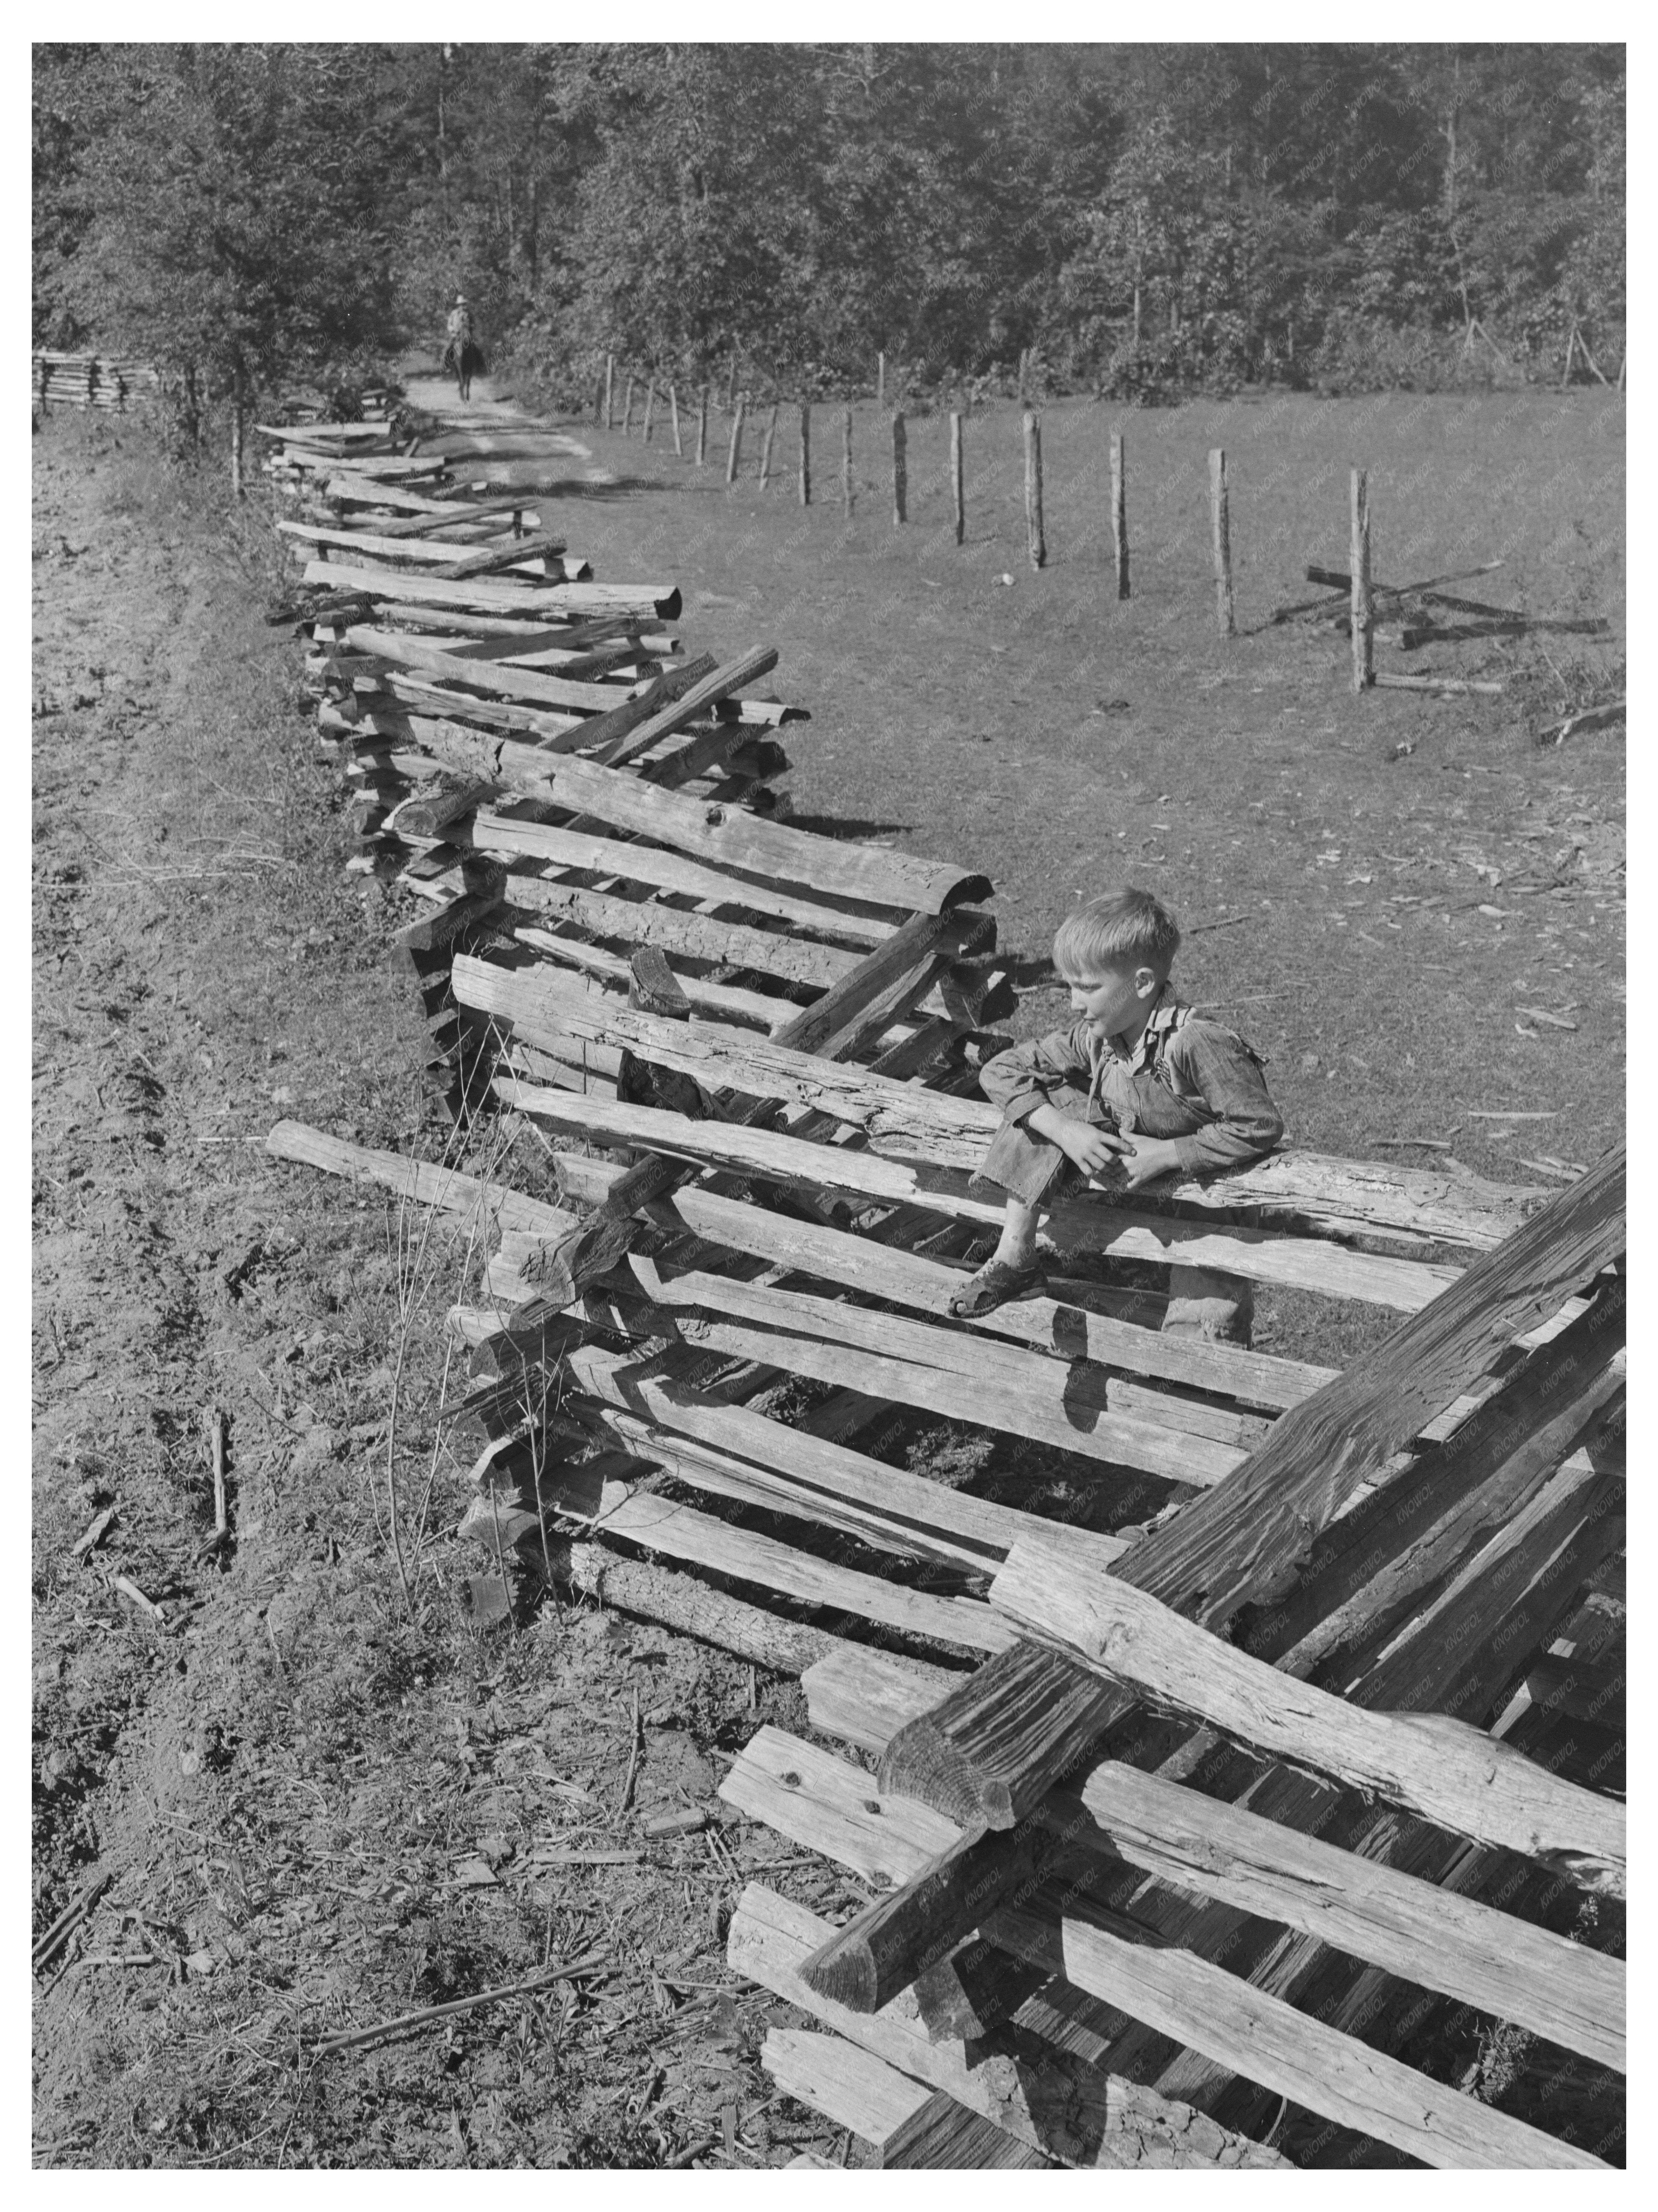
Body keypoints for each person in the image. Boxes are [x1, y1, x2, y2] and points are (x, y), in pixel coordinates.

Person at [948, 887, 1283, 1323]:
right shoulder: (1097, 1037)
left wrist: (1167, 1154)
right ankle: (1015, 1257)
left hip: (1211, 1194)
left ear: (1142, 983)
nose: (1073, 1002)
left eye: (1087, 987)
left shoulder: (1195, 1042)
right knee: (1041, 1103)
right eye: (1070, 986)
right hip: (1146, 1185)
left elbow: (1258, 1124)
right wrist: (1065, 1129)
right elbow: (1000, 1069)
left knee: (1203, 1327)